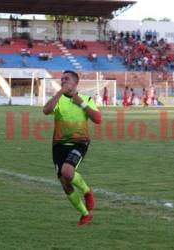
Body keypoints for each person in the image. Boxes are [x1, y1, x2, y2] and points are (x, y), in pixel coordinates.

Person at [43, 70, 101, 226]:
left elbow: (98, 119)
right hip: (59, 144)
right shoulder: (59, 99)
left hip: (79, 142)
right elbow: (46, 110)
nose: (63, 81)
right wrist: (58, 93)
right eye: (62, 79)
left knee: (67, 171)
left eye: (66, 79)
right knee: (64, 182)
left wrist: (81, 103)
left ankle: (87, 191)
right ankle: (85, 213)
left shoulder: (87, 99)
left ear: (75, 83)